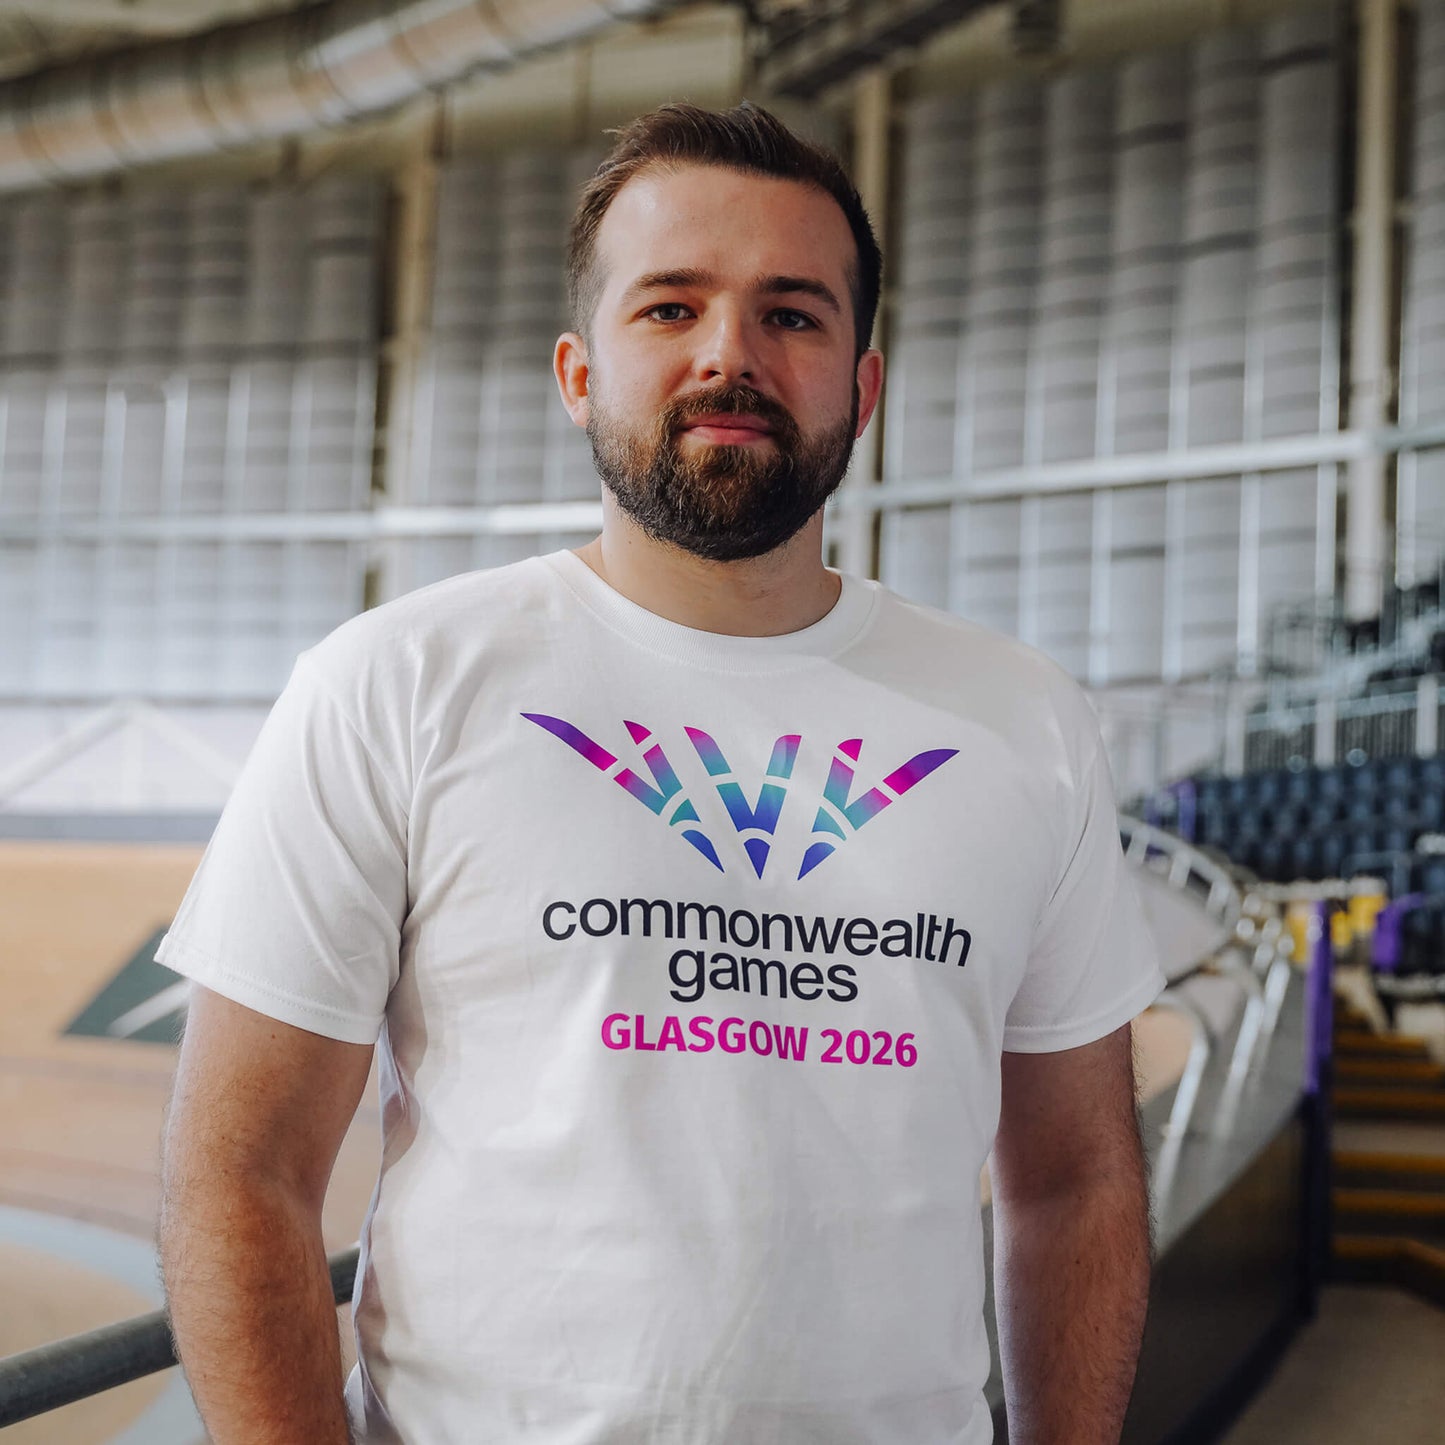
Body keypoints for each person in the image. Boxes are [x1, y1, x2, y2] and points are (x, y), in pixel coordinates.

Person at [158, 101, 1165, 1445]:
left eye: (792, 315)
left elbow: (1079, 1178)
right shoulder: (394, 684)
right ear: (578, 372)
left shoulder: (1023, 722)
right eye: (669, 308)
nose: (727, 356)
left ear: (861, 386)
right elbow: (241, 1172)